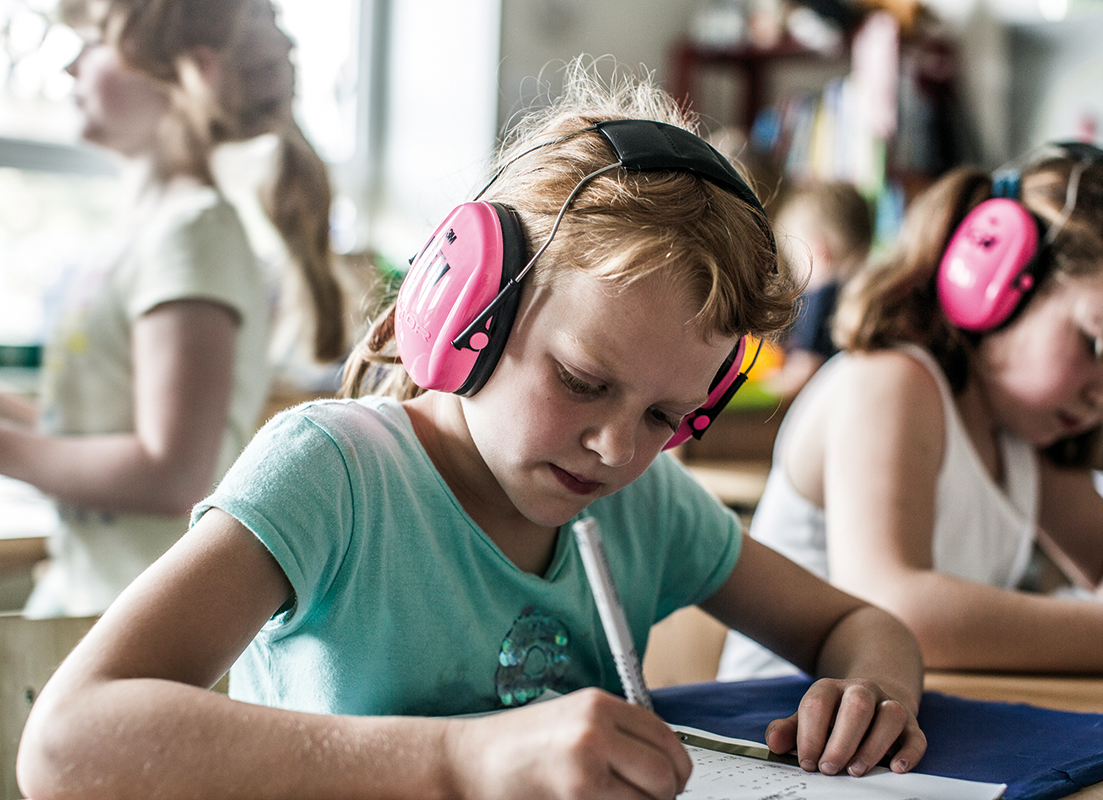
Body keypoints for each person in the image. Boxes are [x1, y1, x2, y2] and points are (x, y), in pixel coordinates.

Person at [17, 61, 927, 800]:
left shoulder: (644, 505)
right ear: (467, 311)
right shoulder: (333, 477)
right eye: (581, 381)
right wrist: (461, 762)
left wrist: (871, 691)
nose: (617, 448)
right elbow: (66, 743)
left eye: (663, 414)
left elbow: (859, 622)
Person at [718, 142, 1103, 681]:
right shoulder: (891, 383)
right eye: (1099, 346)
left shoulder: (1020, 432)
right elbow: (895, 608)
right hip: (779, 736)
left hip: (894, 741)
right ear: (996, 278)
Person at [0, 0, 346, 617]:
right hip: (83, 599)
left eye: (96, 41)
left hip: (137, 621)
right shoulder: (137, 232)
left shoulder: (194, 236)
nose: (72, 65)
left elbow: (172, 472)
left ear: (192, 72)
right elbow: (97, 427)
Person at [770, 180, 873, 402]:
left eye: (793, 258)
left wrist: (770, 384)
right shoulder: (868, 287)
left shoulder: (822, 295)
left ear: (818, 249)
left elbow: (805, 368)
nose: (795, 274)